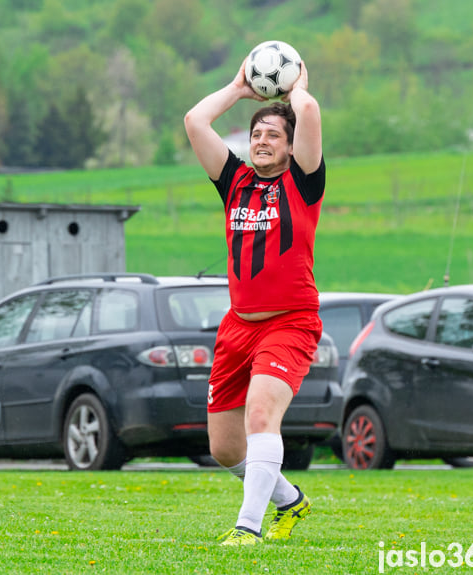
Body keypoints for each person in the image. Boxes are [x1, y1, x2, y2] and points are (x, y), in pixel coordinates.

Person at [184, 56, 324, 546]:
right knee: (225, 449)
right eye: (256, 134)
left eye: (273, 135)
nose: (262, 142)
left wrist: (299, 90)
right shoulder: (235, 181)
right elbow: (195, 121)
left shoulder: (303, 183)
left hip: (291, 322)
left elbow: (310, 118)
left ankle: (248, 528)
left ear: (291, 147)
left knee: (261, 416)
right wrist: (240, 88)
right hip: (238, 326)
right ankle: (290, 501)